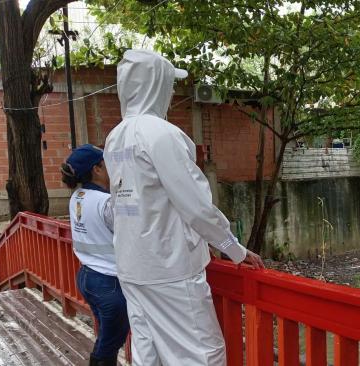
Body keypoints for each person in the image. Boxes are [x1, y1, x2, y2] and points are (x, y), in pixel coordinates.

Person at [104, 49, 265, 366]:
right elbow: (196, 206)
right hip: (170, 266)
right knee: (202, 354)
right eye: (169, 83)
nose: (172, 92)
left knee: (147, 351)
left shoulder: (115, 137)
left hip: (131, 264)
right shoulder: (162, 135)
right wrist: (232, 248)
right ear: (156, 85)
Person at [61, 144, 130, 366]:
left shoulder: (77, 197)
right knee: (109, 344)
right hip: (109, 283)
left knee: (106, 339)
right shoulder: (105, 202)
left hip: (87, 277)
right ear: (97, 169)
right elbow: (130, 232)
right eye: (107, 163)